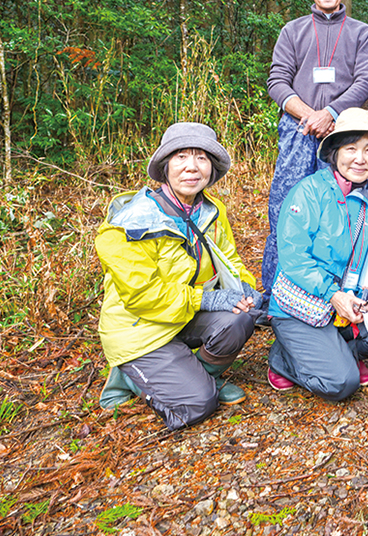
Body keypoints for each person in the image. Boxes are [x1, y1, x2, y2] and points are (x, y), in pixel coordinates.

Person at [96, 123, 260, 430]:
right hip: (140, 328)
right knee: (199, 405)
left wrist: (245, 289)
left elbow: (230, 260)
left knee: (239, 318)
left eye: (201, 158)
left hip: (182, 314)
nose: (191, 167)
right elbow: (141, 296)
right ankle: (130, 377)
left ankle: (198, 374)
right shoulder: (131, 223)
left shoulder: (211, 210)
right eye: (181, 156)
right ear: (165, 166)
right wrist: (208, 299)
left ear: (212, 168)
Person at [265, 108, 368, 401]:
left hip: (348, 305)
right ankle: (283, 358)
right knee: (342, 384)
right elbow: (294, 258)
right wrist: (333, 294)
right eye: (351, 149)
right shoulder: (308, 192)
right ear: (335, 152)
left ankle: (337, 351)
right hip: (305, 305)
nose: (360, 159)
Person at [259, 0, 368, 322]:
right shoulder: (293, 31)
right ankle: (275, 296)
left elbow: (364, 81)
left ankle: (339, 291)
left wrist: (331, 114)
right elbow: (277, 81)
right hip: (299, 130)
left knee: (340, 208)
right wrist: (309, 114)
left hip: (344, 133)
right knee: (287, 207)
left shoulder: (360, 32)